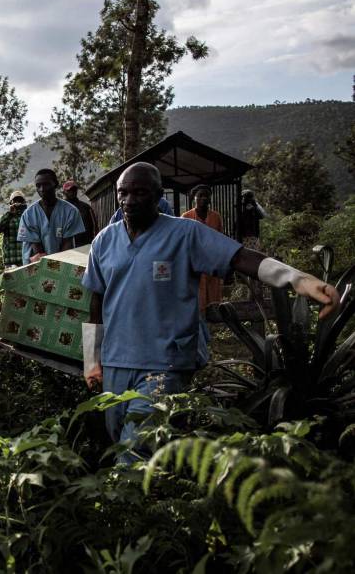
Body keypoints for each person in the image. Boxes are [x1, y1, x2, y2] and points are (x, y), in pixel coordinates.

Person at [80, 162, 340, 464]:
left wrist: (296, 278)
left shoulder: (185, 234)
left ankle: (119, 506)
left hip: (165, 363)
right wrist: (91, 360)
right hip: (116, 361)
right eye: (123, 193)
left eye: (139, 192)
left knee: (136, 450)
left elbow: (240, 256)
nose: (129, 200)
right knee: (118, 438)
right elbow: (96, 303)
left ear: (156, 195)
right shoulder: (104, 241)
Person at [17, 168, 85, 263]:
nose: (42, 189)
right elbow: (37, 250)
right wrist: (49, 266)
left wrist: (59, 265)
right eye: (38, 185)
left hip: (63, 262)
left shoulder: (70, 211)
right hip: (36, 265)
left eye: (46, 184)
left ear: (55, 184)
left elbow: (67, 244)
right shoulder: (28, 214)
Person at [180, 184, 226, 311]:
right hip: (194, 261)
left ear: (210, 199)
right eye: (200, 196)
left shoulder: (216, 217)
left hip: (212, 261)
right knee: (197, 291)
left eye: (206, 196)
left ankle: (214, 319)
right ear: (194, 198)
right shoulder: (186, 217)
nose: (203, 198)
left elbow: (220, 239)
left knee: (213, 291)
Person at [0, 190, 28, 268]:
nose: (17, 202)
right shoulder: (8, 216)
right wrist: (9, 213)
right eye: (15, 200)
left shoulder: (27, 215)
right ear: (11, 203)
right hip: (10, 259)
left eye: (20, 200)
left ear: (24, 202)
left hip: (25, 257)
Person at [61, 180, 97, 246]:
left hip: (86, 243)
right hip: (67, 246)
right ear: (64, 192)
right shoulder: (60, 208)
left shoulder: (85, 207)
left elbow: (94, 226)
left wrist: (94, 241)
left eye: (74, 189)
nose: (72, 192)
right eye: (69, 190)